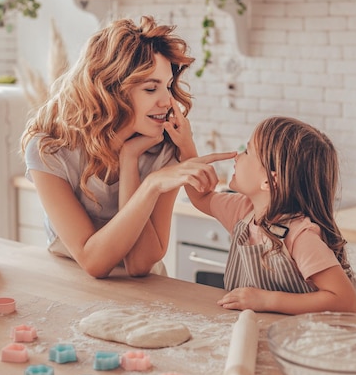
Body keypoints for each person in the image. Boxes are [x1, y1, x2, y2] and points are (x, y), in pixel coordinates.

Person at [21, 16, 226, 278]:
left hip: (141, 292)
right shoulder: (50, 150)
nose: (167, 100)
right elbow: (93, 261)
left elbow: (140, 264)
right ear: (110, 89)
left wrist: (130, 160)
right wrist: (150, 185)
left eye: (168, 86)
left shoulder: (164, 149)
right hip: (70, 280)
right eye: (151, 89)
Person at [184, 116, 356, 315]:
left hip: (291, 341)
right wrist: (184, 143)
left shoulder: (301, 237)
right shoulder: (243, 211)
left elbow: (346, 302)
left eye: (247, 151)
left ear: (269, 180)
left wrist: (266, 300)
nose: (237, 156)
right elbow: (201, 197)